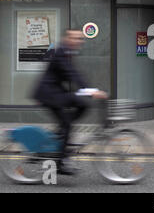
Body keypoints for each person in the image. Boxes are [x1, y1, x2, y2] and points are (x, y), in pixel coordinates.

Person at [33, 30, 107, 175]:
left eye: (81, 38)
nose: (80, 41)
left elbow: (75, 74)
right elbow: (71, 73)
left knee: (83, 105)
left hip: (56, 92)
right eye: (76, 38)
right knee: (67, 123)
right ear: (67, 38)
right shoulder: (60, 52)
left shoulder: (68, 52)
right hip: (49, 95)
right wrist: (91, 91)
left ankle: (61, 131)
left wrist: (89, 90)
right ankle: (61, 162)